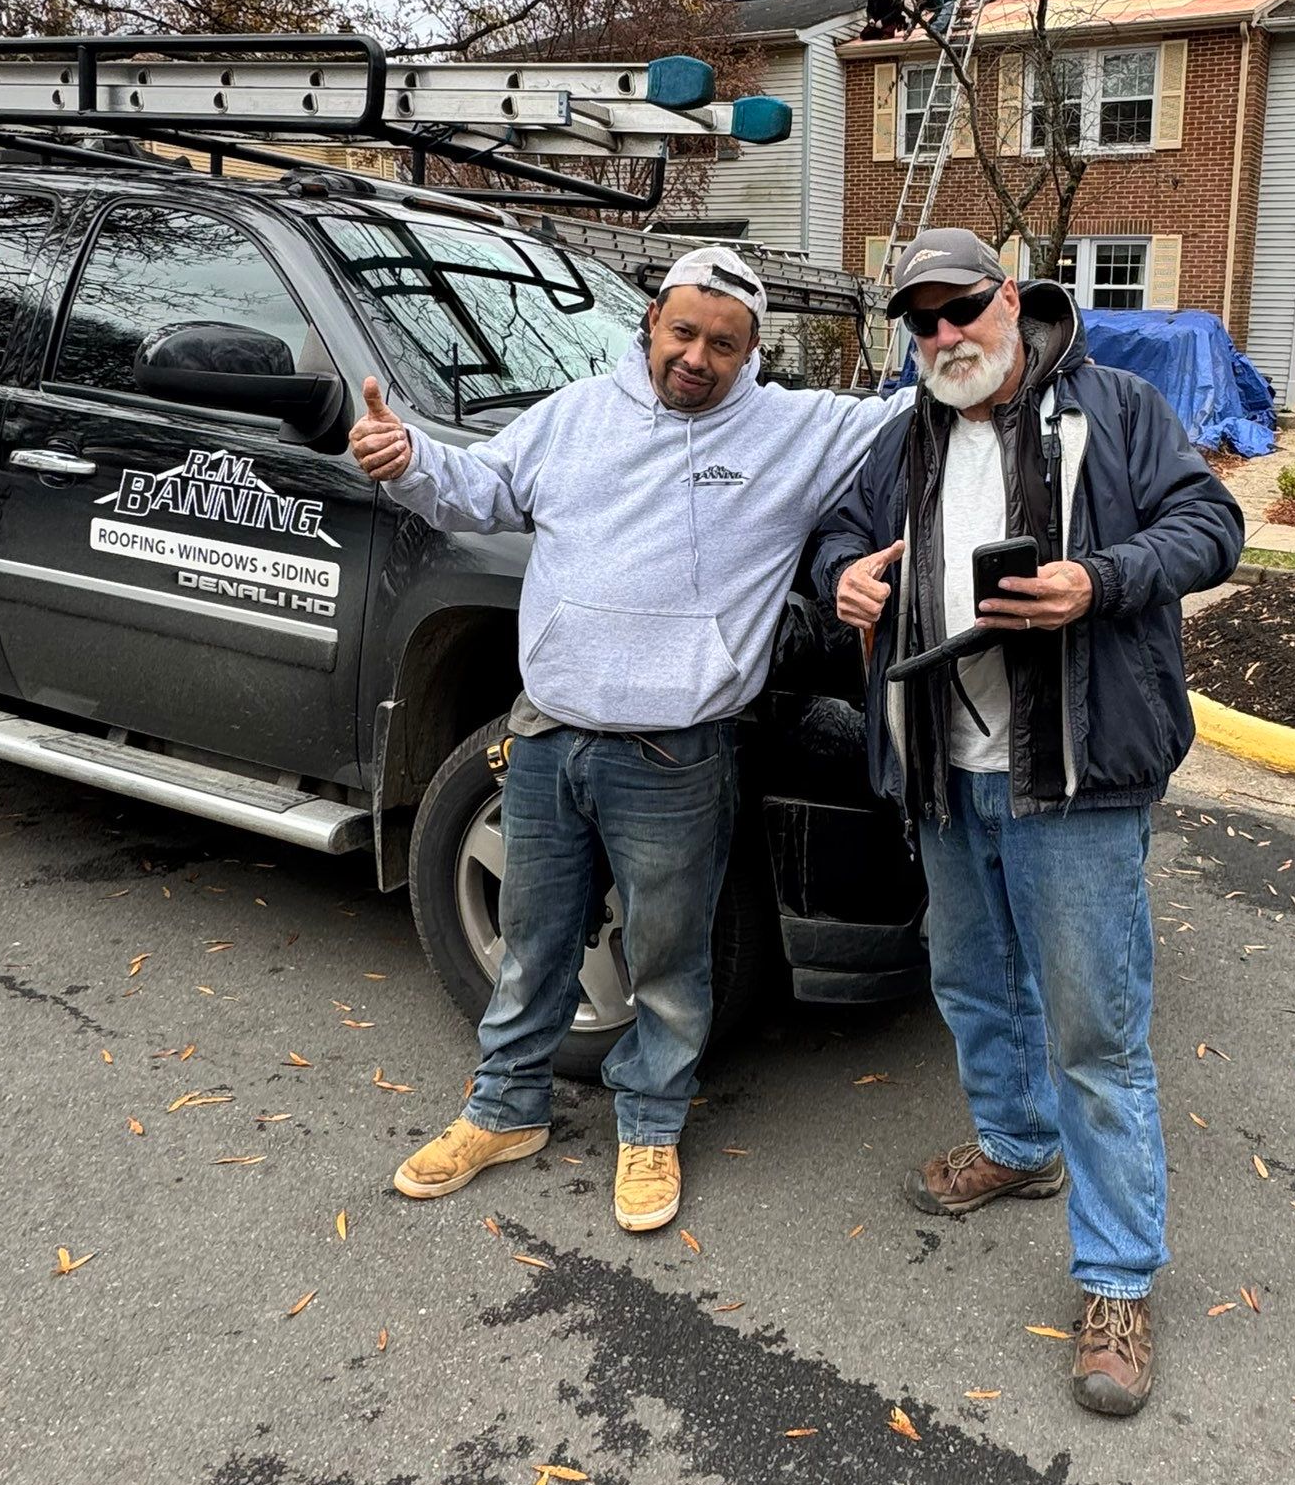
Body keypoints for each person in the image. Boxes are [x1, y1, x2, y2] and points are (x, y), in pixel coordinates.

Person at [350, 245, 890, 1235]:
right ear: (651, 322)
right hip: (551, 733)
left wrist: (1015, 335)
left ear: (752, 353)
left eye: (724, 344)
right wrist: (409, 462)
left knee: (669, 956)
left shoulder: (794, 433)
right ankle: (505, 1109)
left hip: (676, 755)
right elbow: (480, 492)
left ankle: (649, 1123)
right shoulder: (572, 416)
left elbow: (934, 407)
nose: (698, 357)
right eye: (683, 332)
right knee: (532, 935)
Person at [814, 228, 1241, 1416]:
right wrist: (842, 580)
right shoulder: (905, 436)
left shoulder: (1119, 407)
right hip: (946, 766)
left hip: (1079, 770)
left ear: (1011, 298)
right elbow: (837, 542)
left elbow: (1211, 529)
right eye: (922, 322)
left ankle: (1114, 1281)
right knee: (972, 982)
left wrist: (1097, 580)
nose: (944, 336)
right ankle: (1014, 1145)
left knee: (1096, 1031)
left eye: (960, 309)